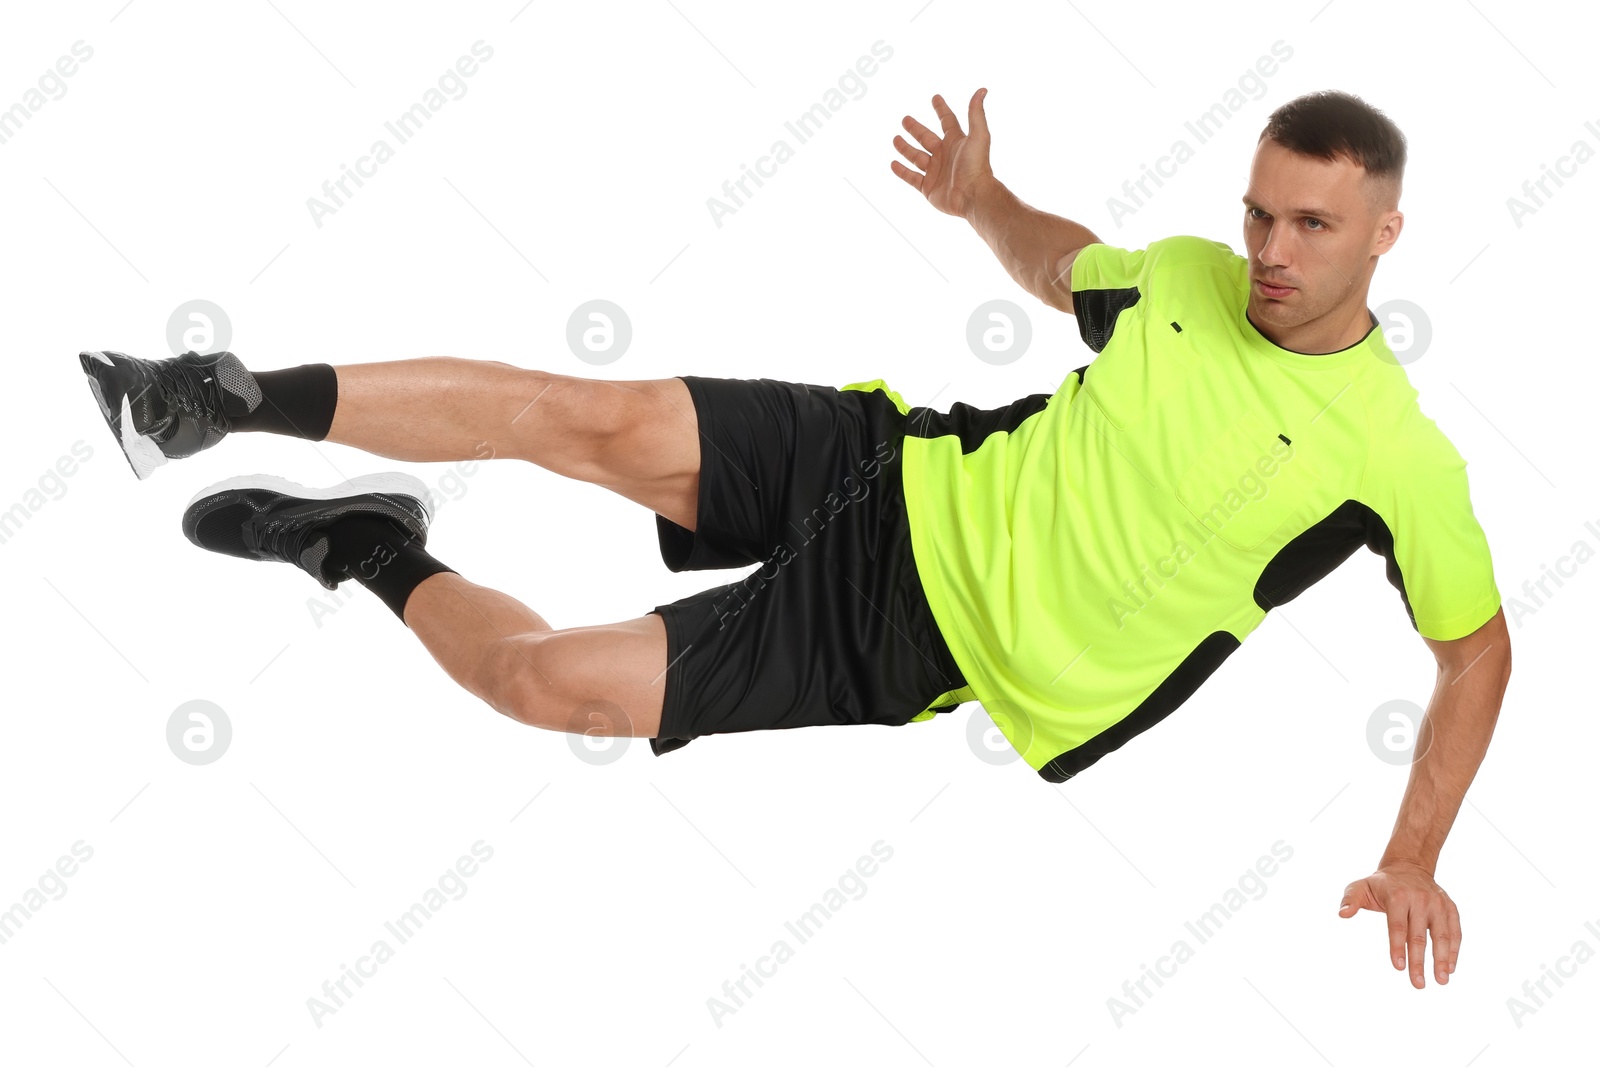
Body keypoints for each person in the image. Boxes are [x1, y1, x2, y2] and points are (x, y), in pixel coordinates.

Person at [81, 87, 1508, 990]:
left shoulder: (1393, 456)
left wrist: (1417, 850)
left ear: (1385, 233)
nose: (1270, 249)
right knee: (595, 417)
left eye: (1312, 226)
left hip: (908, 641)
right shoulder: (1191, 279)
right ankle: (219, 394)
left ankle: (365, 548)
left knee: (547, 687)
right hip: (899, 468)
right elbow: (1065, 263)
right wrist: (981, 202)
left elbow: (1477, 651)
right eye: (1258, 211)